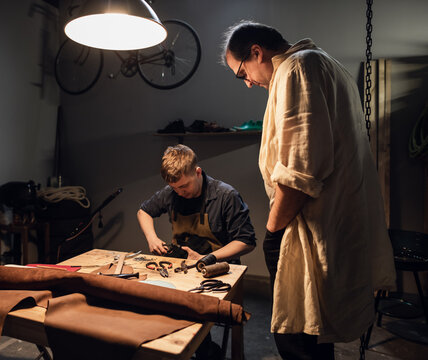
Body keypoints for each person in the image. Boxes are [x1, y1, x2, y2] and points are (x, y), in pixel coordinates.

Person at [221, 21, 396, 359]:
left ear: (257, 52)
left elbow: (300, 170)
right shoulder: (326, 64)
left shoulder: (298, 68)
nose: (247, 84)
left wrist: (272, 231)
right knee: (313, 336)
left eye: (241, 72)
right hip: (330, 223)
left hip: (305, 226)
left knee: (297, 339)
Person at [137, 144, 256, 263]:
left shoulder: (226, 196)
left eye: (184, 186)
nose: (179, 192)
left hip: (219, 268)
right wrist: (151, 238)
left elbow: (246, 242)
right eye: (174, 188)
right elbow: (143, 212)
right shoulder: (170, 193)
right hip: (181, 265)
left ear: (198, 172)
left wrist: (205, 258)